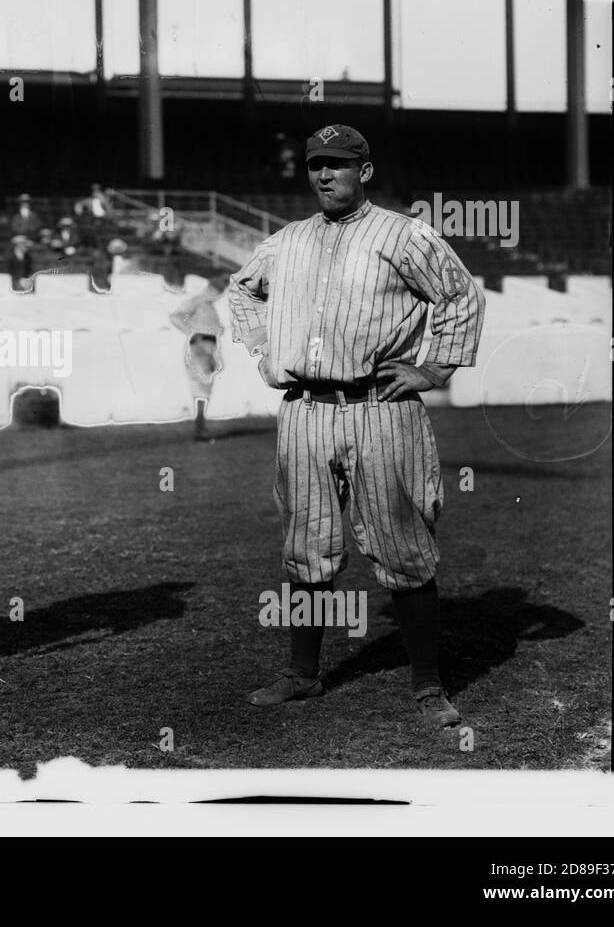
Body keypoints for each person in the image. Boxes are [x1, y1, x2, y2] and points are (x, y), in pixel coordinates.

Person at [228, 124, 485, 730]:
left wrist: (434, 368)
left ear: (364, 171)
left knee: (403, 547)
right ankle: (302, 676)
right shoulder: (286, 241)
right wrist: (266, 347)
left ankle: (428, 688)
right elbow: (242, 292)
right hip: (305, 411)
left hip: (381, 408)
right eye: (317, 164)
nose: (325, 174)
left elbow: (459, 295)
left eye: (339, 164)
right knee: (306, 546)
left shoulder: (403, 234)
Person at [169, 274, 229, 439]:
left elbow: (209, 326)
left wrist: (214, 330)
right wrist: (191, 330)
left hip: (209, 346)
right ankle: (199, 428)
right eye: (213, 289)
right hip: (200, 346)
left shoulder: (209, 305)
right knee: (201, 386)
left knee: (205, 388)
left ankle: (200, 426)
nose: (215, 294)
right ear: (208, 287)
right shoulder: (198, 301)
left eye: (218, 292)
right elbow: (175, 316)